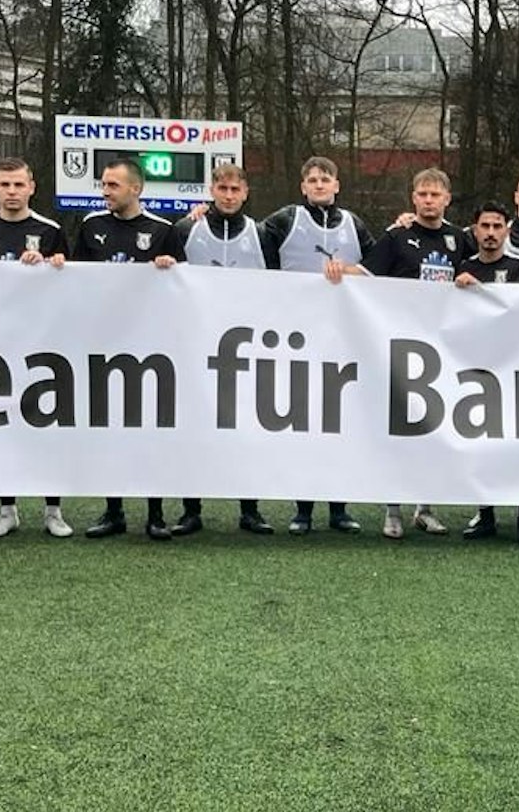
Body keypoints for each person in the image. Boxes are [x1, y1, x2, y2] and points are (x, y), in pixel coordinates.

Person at [75, 158, 186, 541]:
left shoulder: (163, 230)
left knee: (150, 429)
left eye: (113, 186)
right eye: (103, 185)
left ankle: (155, 513)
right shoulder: (91, 226)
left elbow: (186, 287)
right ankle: (113, 510)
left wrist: (171, 267)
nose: (105, 191)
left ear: (135, 189)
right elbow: (75, 279)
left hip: (151, 346)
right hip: (104, 343)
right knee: (109, 429)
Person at [166, 162, 280, 537]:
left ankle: (250, 509)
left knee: (247, 428)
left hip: (246, 348)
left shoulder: (262, 233)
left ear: (245, 192)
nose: (229, 196)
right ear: (211, 190)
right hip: (195, 345)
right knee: (193, 428)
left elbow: (281, 287)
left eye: (235, 190)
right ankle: (191, 510)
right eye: (222, 189)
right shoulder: (186, 228)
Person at [261, 156, 373, 535]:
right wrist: (198, 217)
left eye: (326, 179)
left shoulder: (355, 224)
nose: (320, 185)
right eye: (313, 180)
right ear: (303, 187)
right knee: (303, 425)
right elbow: (246, 241)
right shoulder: (285, 220)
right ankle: (303, 509)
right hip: (296, 337)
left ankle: (339, 508)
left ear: (337, 185)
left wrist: (360, 268)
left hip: (343, 339)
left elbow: (381, 265)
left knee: (340, 424)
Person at [0, 157, 76, 539]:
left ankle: (53, 510)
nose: (12, 192)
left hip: (43, 344)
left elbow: (72, 283)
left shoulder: (50, 230)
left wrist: (52, 264)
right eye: (5, 185)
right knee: (2, 427)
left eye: (19, 185)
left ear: (32, 187)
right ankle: (7, 509)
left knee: (47, 426)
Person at [361, 167, 472, 539]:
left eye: (435, 194)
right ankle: (392, 508)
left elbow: (481, 278)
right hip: (398, 345)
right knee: (397, 428)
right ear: (413, 198)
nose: (428, 200)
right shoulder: (396, 236)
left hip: (444, 349)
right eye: (422, 194)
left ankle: (425, 507)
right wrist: (336, 273)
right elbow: (365, 276)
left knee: (435, 428)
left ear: (447, 199)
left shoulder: (460, 239)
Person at [456, 201, 519, 543]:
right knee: (481, 443)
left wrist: (478, 290)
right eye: (485, 227)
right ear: (475, 231)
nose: (491, 233)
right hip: (478, 368)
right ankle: (487, 515)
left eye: (497, 226)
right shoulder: (464, 267)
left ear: (507, 229)